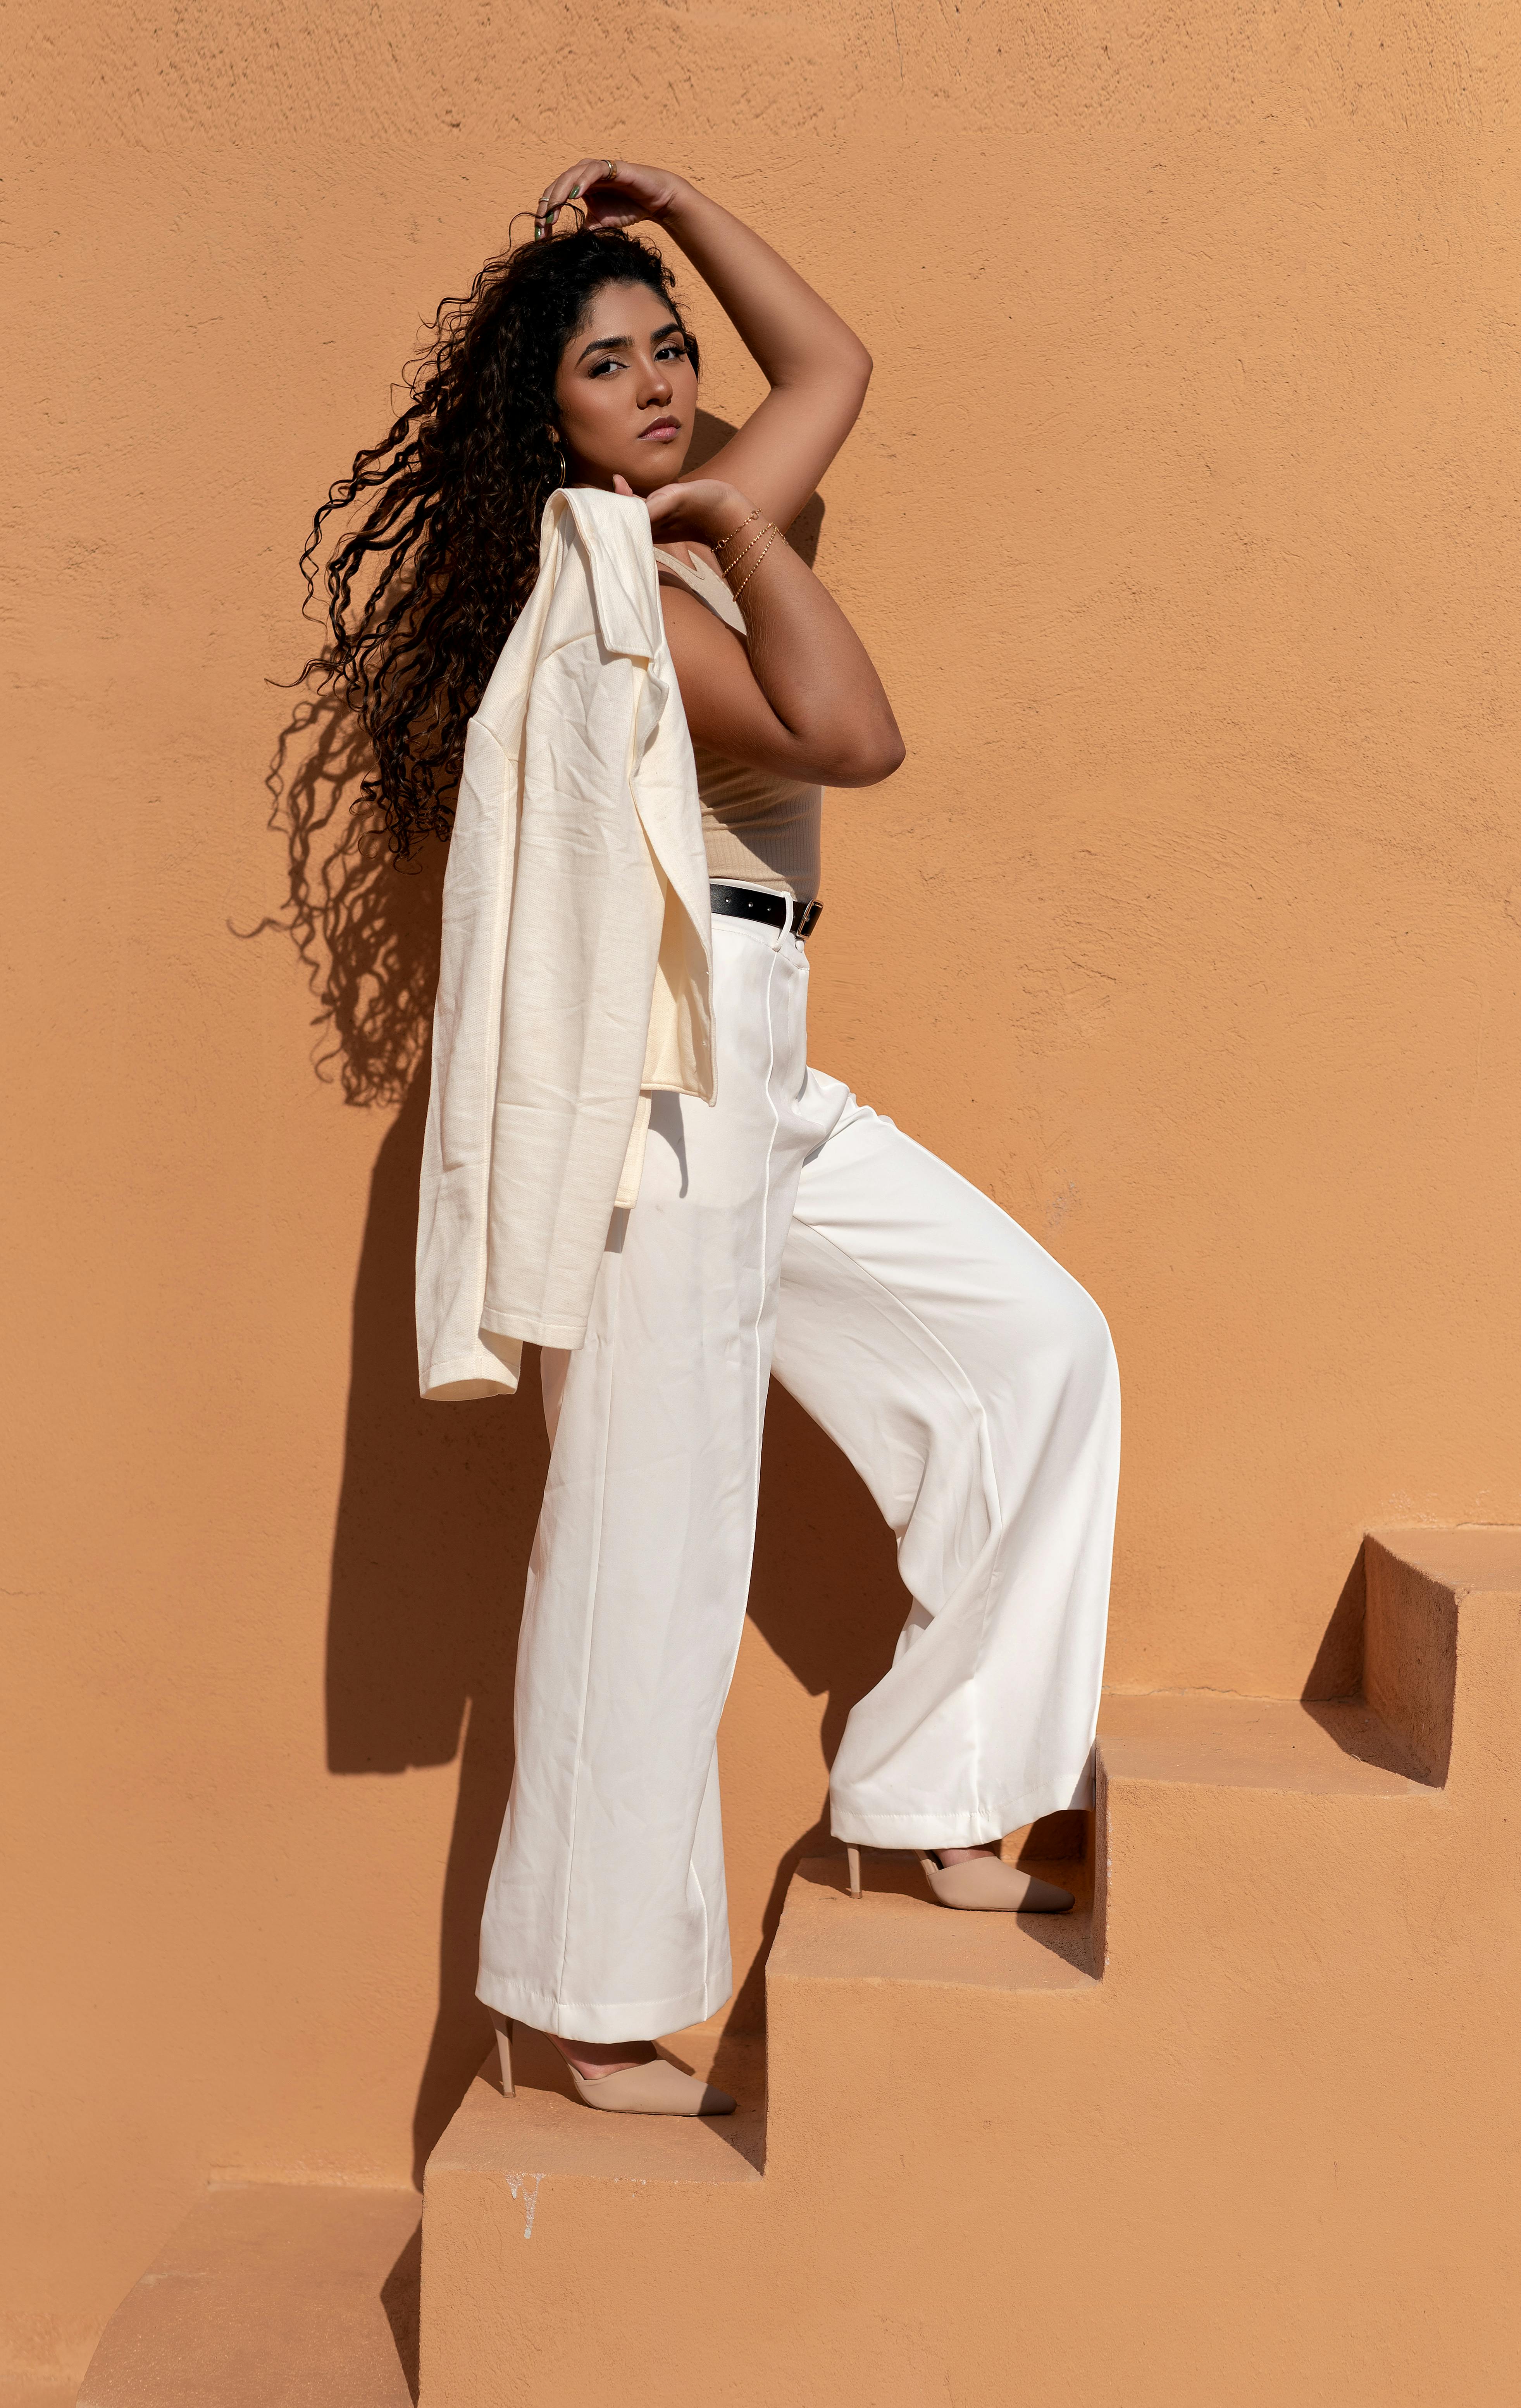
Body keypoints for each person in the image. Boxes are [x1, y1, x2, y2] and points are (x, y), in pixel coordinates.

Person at [308, 157, 1121, 2117]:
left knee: (1032, 1341)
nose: (665, 383)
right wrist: (745, 530)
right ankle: (575, 2006)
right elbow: (851, 737)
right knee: (644, 1542)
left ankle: (935, 1783)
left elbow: (834, 355)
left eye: (673, 346)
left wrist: (680, 195)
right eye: (611, 364)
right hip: (665, 1087)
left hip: (766, 1052)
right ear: (554, 419)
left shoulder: (710, 515)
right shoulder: (615, 595)